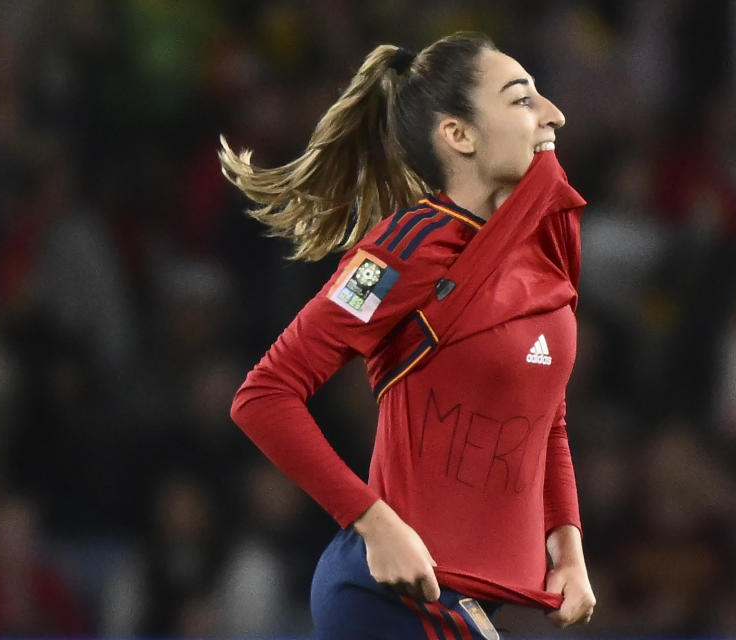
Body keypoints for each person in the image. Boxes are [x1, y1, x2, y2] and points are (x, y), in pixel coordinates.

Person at [222, 32, 596, 639]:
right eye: (522, 99)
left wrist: (568, 548)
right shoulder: (402, 253)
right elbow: (265, 395)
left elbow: (544, 417)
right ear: (460, 135)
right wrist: (375, 522)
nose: (554, 113)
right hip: (388, 595)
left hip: (467, 600)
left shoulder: (543, 256)